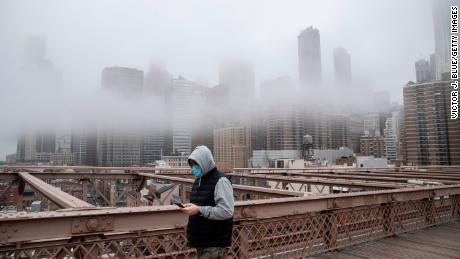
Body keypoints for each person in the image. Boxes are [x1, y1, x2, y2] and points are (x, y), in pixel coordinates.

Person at [180, 145, 234, 259]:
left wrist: (199, 209)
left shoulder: (221, 181)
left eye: (196, 164)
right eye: (192, 165)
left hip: (215, 244)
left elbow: (226, 211)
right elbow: (201, 205)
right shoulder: (199, 180)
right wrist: (194, 208)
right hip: (203, 242)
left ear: (205, 161)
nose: (194, 168)